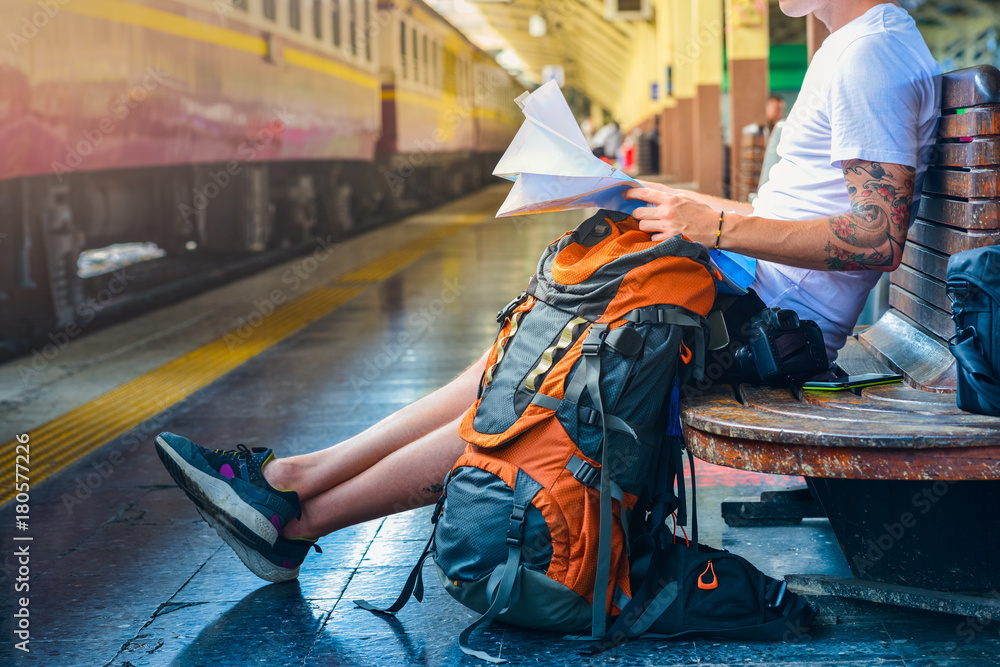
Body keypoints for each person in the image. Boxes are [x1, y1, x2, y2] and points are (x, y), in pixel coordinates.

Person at [155, 0, 941, 582]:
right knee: (504, 365)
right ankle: (290, 482)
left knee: (528, 390)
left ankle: (298, 515)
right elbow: (800, 216)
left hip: (762, 328)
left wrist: (714, 227)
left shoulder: (867, 55)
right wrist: (652, 197)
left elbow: (875, 236)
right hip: (744, 300)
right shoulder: (861, 47)